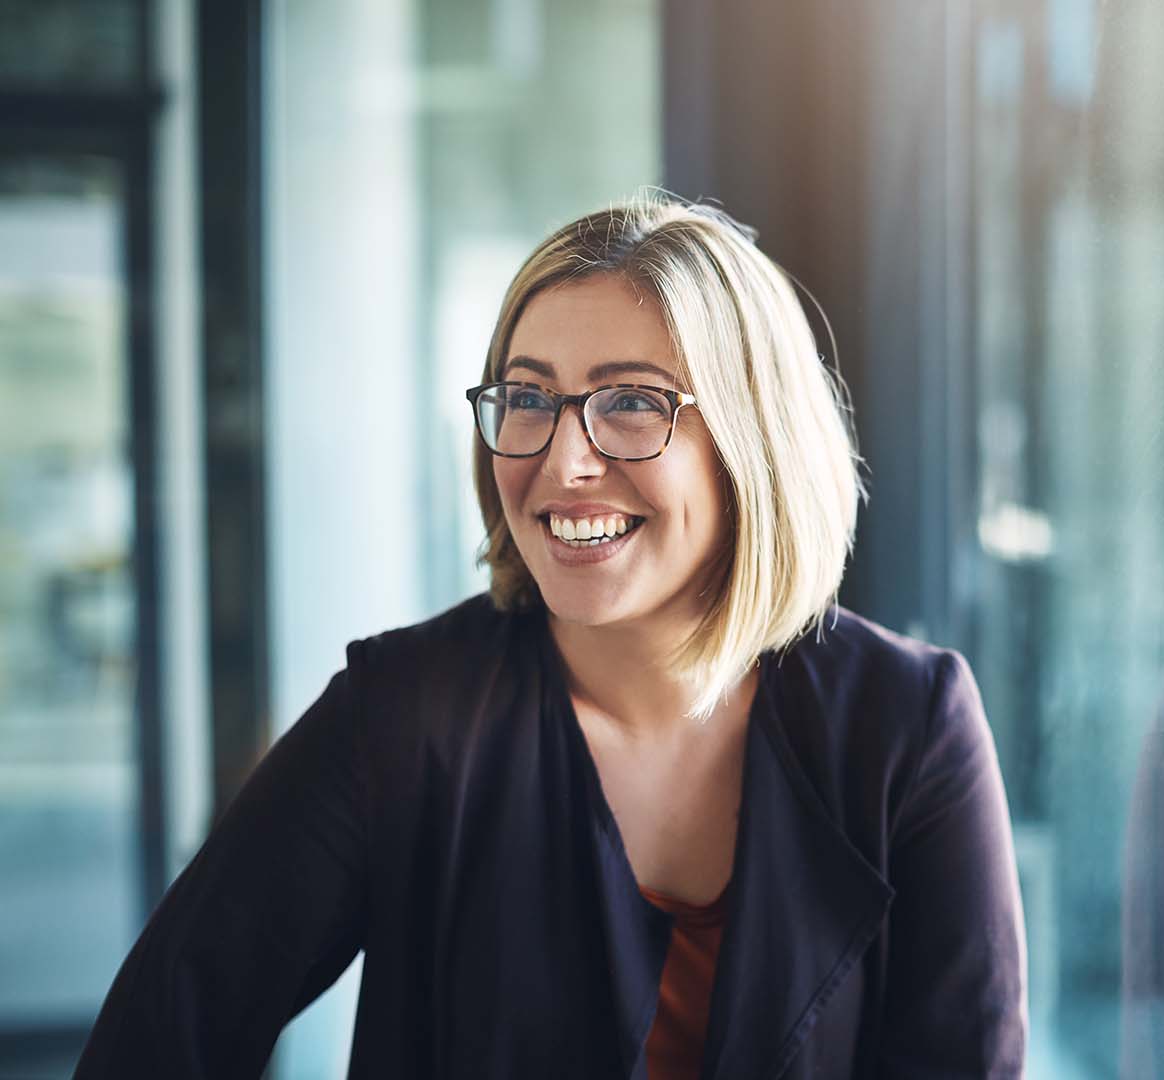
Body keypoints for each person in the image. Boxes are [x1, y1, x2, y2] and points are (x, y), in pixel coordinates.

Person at [74, 193, 1027, 1079]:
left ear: (753, 440)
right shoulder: (402, 715)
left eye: (631, 403)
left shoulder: (908, 726)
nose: (563, 461)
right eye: (527, 399)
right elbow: (159, 1036)